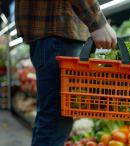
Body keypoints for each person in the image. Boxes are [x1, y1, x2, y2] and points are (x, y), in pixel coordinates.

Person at [15, 1, 117, 146]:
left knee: (50, 118)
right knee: (56, 121)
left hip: (51, 32)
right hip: (58, 29)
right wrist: (97, 22)